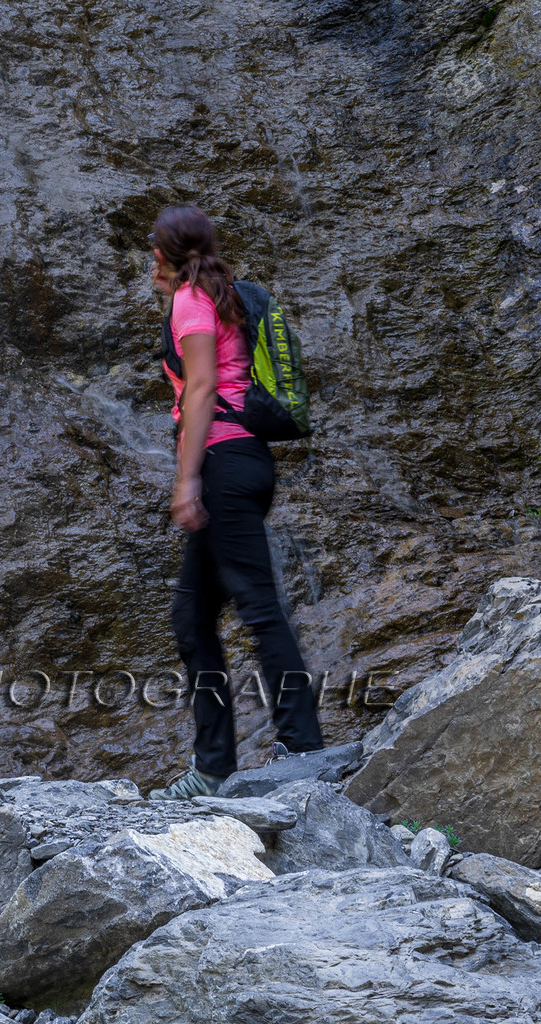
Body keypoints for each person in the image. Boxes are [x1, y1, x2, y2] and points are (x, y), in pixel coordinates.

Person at [152, 204, 323, 795]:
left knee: (258, 607)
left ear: (165, 254)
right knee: (193, 618)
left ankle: (301, 745)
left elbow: (201, 388)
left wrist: (186, 479)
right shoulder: (226, 295)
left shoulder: (190, 300)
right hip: (247, 462)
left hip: (223, 465)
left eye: (152, 250)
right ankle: (213, 764)